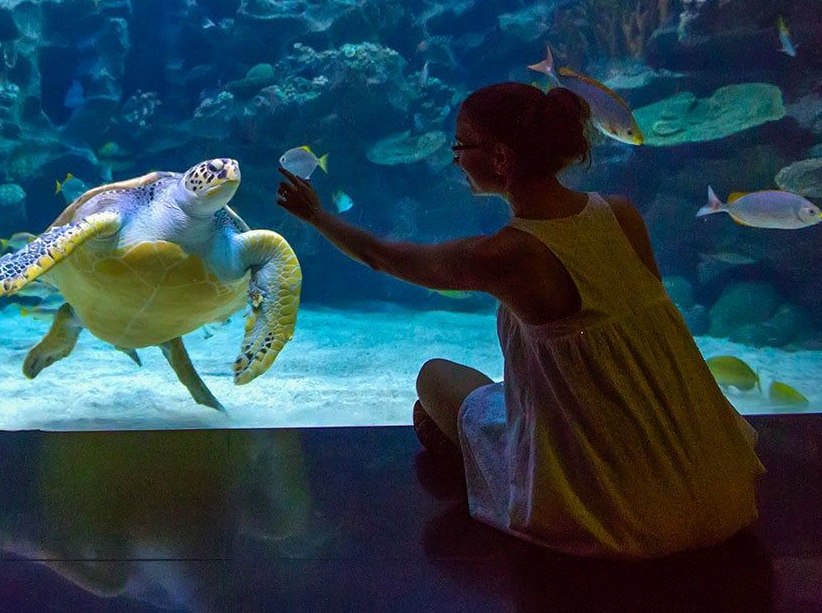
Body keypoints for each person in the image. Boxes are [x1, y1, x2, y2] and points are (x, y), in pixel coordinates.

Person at [275, 81, 765, 559]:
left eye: (461, 145)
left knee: (433, 380)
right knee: (479, 397)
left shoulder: (512, 254)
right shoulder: (620, 214)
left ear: (502, 159)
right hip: (719, 489)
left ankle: (487, 464)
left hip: (626, 516)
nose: (455, 157)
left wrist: (316, 215)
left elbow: (382, 256)